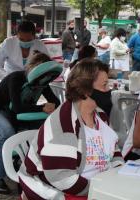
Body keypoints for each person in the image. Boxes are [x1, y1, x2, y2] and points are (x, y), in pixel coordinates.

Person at [18, 59, 123, 200]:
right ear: (86, 90)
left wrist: (117, 174)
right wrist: (100, 190)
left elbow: (114, 150)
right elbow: (62, 179)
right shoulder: (64, 125)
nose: (108, 90)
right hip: (55, 189)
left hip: (96, 185)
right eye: (104, 85)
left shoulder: (100, 115)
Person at [0, 52, 60, 195]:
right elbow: (17, 108)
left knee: (45, 130)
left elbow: (56, 101)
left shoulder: (41, 82)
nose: (44, 79)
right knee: (7, 133)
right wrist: (42, 107)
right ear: (33, 68)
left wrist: (51, 105)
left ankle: (36, 169)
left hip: (13, 116)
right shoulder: (16, 78)